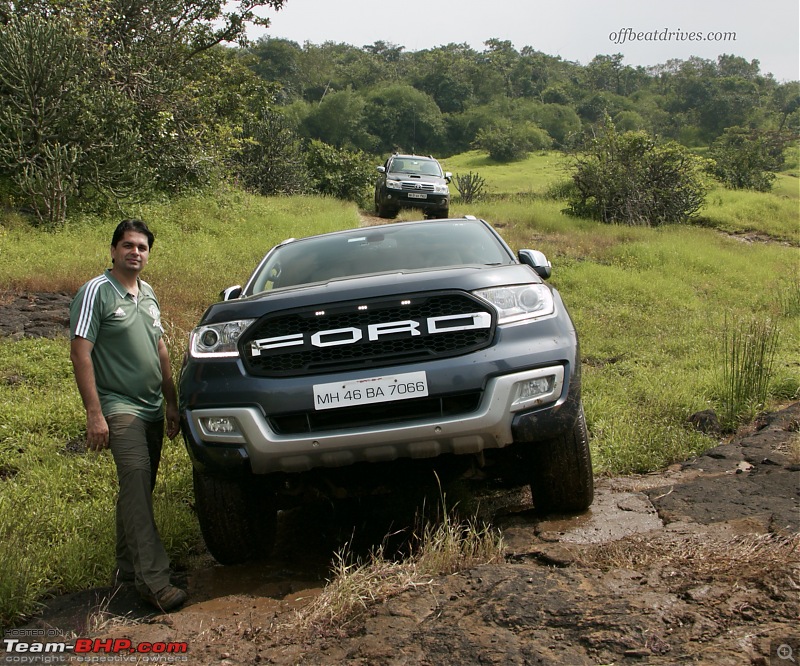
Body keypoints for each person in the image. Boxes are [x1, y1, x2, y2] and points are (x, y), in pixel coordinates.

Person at [69, 218, 187, 612]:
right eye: (128, 246)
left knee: (138, 491)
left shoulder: (149, 293)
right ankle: (155, 582)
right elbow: (80, 351)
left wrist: (171, 403)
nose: (135, 252)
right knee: (136, 485)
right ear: (114, 250)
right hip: (119, 407)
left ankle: (127, 571)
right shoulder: (96, 292)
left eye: (142, 247)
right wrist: (94, 414)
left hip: (153, 406)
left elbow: (161, 350)